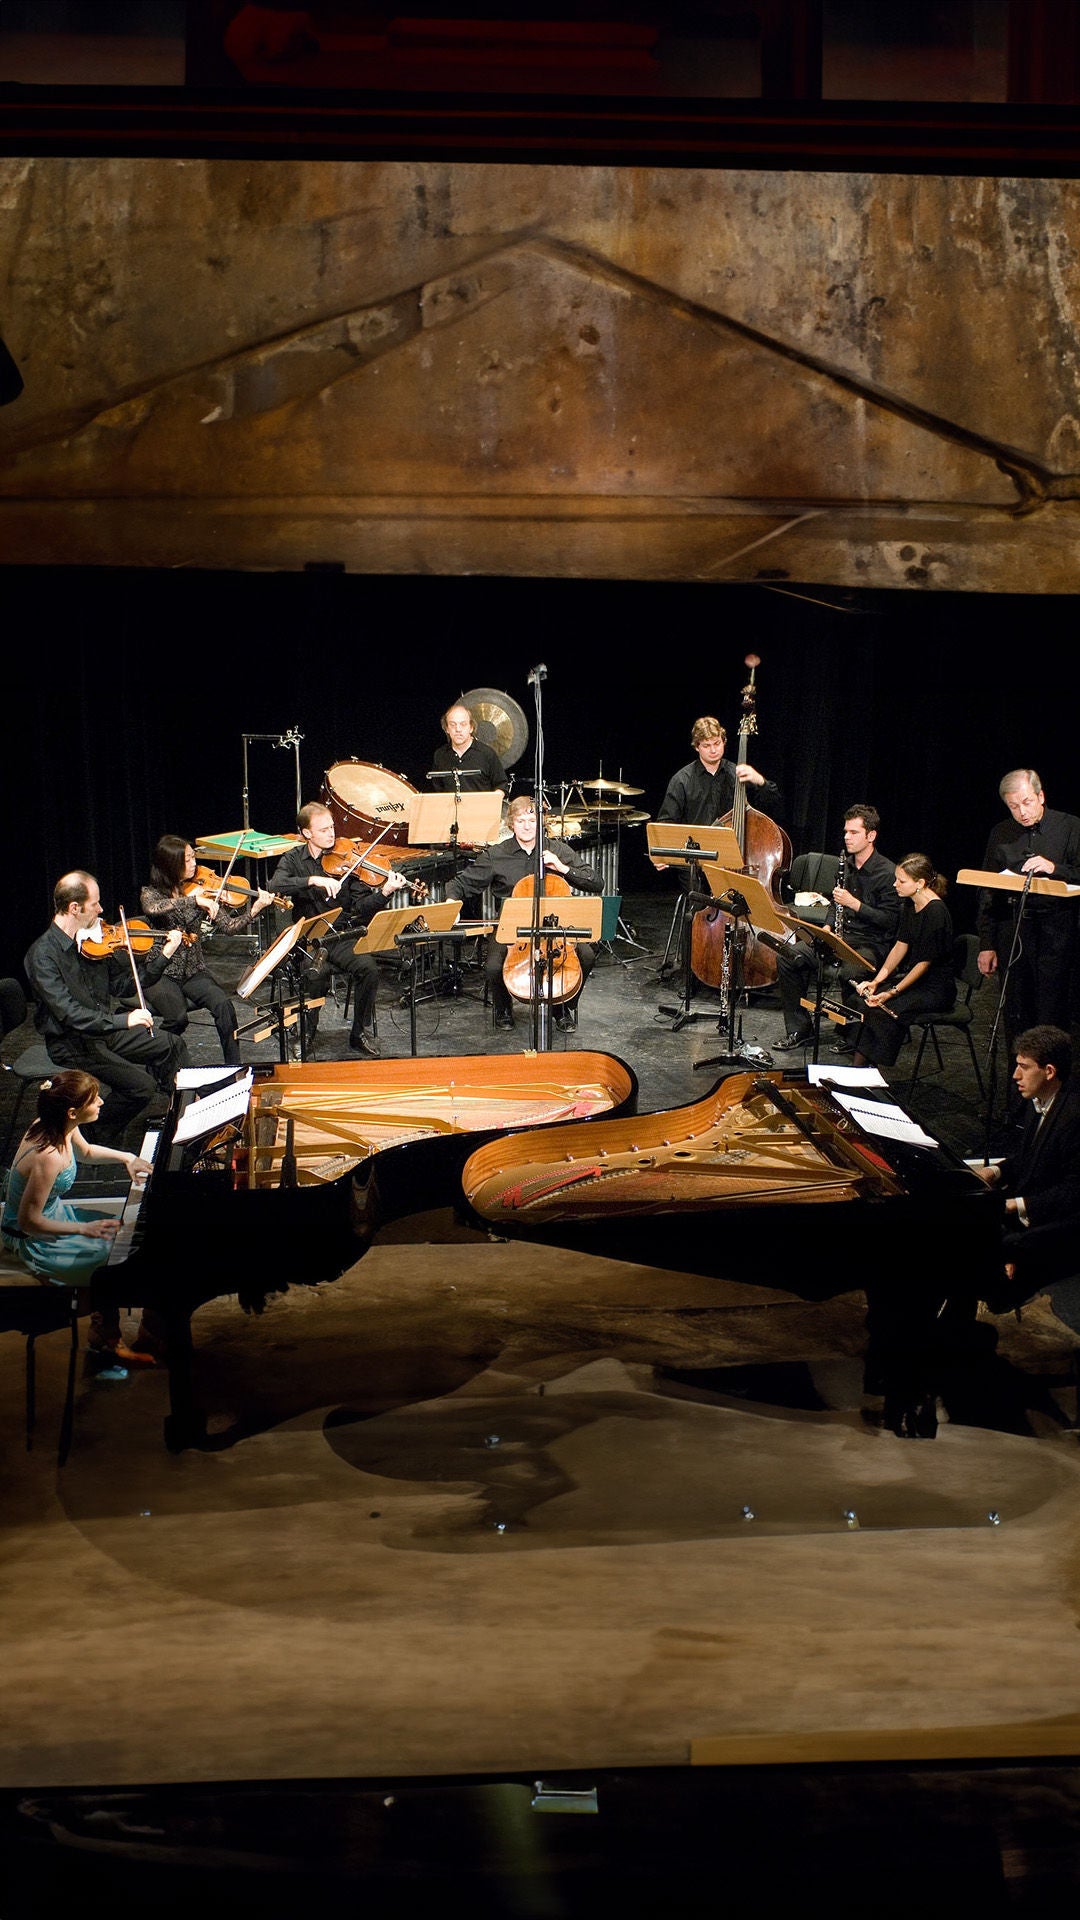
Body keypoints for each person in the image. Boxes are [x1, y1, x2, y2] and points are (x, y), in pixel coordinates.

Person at [1, 1070, 161, 1368]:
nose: (101, 1102)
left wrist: (127, 1157)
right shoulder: (48, 1156)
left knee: (125, 1237)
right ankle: (107, 1339)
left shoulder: (58, 1124)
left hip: (54, 1217)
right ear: (73, 1111)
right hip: (31, 1238)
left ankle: (115, 1325)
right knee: (111, 1258)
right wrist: (83, 1228)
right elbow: (28, 1222)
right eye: (94, 1099)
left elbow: (85, 1151)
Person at [25, 873, 187, 1147]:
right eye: (95, 904)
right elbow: (70, 1014)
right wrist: (124, 1020)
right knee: (141, 1087)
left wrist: (164, 957)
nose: (101, 911)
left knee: (171, 1044)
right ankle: (94, 1134)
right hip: (73, 1042)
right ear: (74, 908)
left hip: (104, 1030)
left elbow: (123, 986)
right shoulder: (43, 956)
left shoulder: (90, 942)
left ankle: (182, 1115)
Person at [446, 794, 604, 1030]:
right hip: (514, 929)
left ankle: (560, 1005)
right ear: (511, 824)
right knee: (493, 967)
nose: (527, 826)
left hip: (554, 927)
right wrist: (451, 902)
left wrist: (562, 867)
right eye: (521, 821)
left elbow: (596, 883)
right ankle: (503, 1008)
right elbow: (461, 883)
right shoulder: (497, 854)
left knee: (587, 956)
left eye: (532, 820)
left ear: (541, 823)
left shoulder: (557, 849)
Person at [269, 802, 412, 1057]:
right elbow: (275, 884)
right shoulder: (293, 859)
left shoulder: (348, 863)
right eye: (324, 830)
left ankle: (358, 1033)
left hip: (341, 935)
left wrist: (385, 892)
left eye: (332, 827)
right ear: (307, 833)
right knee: (316, 974)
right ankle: (307, 1032)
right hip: (310, 939)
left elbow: (360, 908)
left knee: (368, 969)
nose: (332, 834)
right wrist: (313, 880)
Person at [141, 836, 276, 1065]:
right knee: (177, 1019)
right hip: (162, 971)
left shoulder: (202, 890)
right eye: (188, 859)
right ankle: (160, 1064)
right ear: (170, 864)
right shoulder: (151, 893)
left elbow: (230, 927)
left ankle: (234, 1067)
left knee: (224, 1006)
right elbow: (154, 908)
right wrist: (194, 901)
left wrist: (255, 909)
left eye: (194, 857)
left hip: (194, 969)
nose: (194, 863)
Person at [775, 804, 900, 1050]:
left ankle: (853, 1036)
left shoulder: (888, 873)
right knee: (789, 957)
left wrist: (855, 904)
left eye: (853, 832)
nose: (846, 837)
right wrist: (829, 927)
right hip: (840, 938)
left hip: (869, 944)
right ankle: (800, 1029)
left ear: (871, 836)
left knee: (849, 973)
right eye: (845, 832)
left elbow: (890, 921)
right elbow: (834, 903)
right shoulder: (845, 866)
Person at [973, 1026, 1080, 1309]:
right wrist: (993, 1172)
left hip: (1057, 1223)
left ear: (1049, 1071)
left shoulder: (1074, 1118)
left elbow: (1072, 1193)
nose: (1015, 1076)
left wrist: (1011, 1205)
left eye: (1023, 1067)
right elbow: (1026, 1159)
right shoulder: (1040, 1100)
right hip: (1031, 1207)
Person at [976, 768, 1080, 1036]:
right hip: (1013, 930)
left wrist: (1054, 867)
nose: (1022, 812)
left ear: (1041, 796)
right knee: (1016, 1012)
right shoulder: (1001, 833)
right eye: (1013, 806)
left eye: (1027, 803)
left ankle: (1052, 1076)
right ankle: (1017, 1076)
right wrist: (986, 944)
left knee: (1052, 1013)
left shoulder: (1070, 826)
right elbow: (988, 892)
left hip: (1057, 933)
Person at [852, 854, 956, 1070]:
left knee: (882, 1011)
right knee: (865, 1001)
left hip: (935, 988)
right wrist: (877, 981)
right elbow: (900, 945)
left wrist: (892, 992)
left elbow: (924, 964)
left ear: (920, 883)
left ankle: (868, 1074)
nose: (895, 884)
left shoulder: (936, 912)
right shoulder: (910, 905)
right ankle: (858, 1072)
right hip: (917, 981)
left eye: (901, 881)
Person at [656, 715, 782, 836]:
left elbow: (773, 803)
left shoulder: (737, 773)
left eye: (717, 743)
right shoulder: (682, 780)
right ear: (696, 747)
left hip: (735, 848)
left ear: (724, 742)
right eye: (706, 745)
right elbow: (666, 823)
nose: (713, 750)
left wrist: (760, 781)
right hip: (696, 851)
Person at [430, 703, 507, 794]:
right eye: (453, 724)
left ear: (471, 727)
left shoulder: (487, 754)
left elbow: (501, 786)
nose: (458, 729)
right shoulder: (440, 755)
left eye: (463, 724)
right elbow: (437, 790)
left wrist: (493, 799)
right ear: (447, 728)